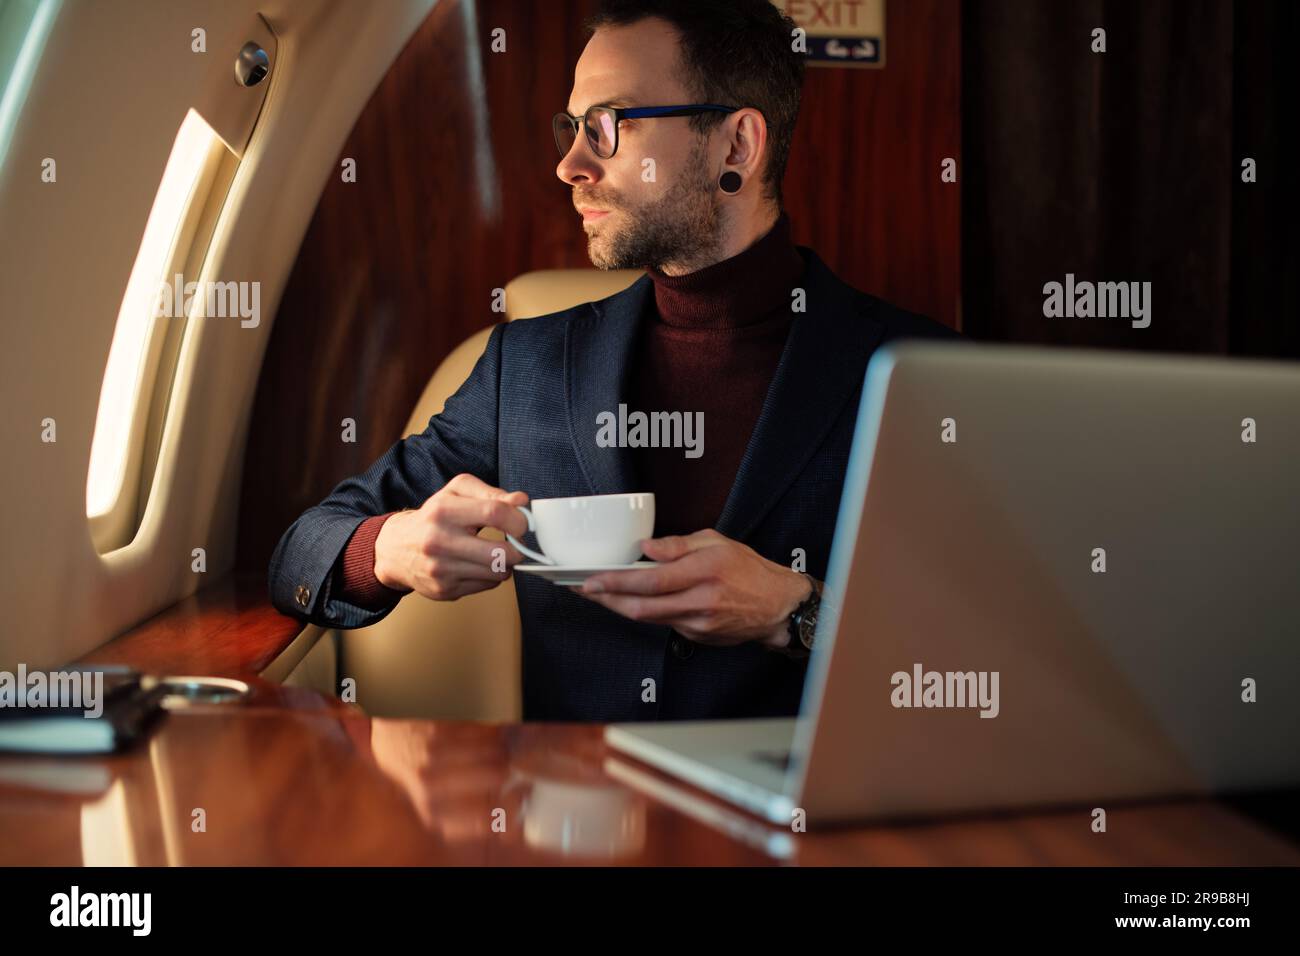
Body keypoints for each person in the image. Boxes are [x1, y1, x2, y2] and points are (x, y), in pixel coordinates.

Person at [269, 0, 960, 721]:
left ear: (736, 146)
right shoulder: (524, 367)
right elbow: (301, 551)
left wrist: (800, 611)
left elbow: (995, 656)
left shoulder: (925, 376)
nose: (569, 165)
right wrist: (390, 547)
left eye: (608, 125)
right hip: (572, 792)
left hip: (810, 794)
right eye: (572, 128)